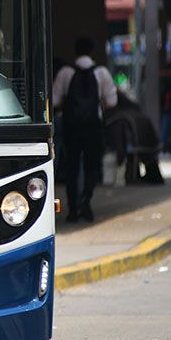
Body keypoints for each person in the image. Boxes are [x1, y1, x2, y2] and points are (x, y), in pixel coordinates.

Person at [52, 37, 118, 222]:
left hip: (71, 125)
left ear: (75, 51)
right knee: (92, 165)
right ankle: (86, 201)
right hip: (92, 125)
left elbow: (55, 100)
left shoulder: (65, 72)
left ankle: (73, 208)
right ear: (92, 51)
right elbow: (112, 101)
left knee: (72, 166)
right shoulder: (101, 72)